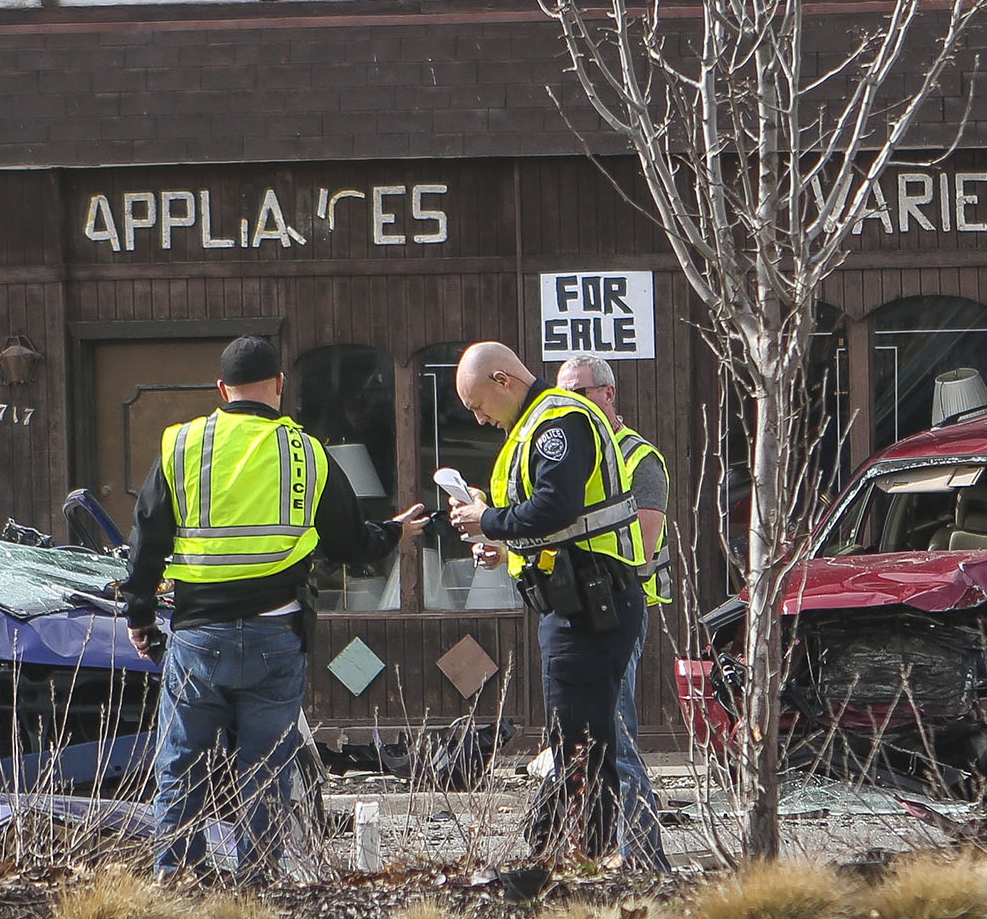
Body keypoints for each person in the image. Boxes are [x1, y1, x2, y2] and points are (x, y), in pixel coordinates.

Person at [122, 335, 427, 881]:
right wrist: (392, 533)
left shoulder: (184, 444)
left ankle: (173, 884)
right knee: (264, 773)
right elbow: (349, 543)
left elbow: (148, 538)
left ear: (221, 390)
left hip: (197, 637)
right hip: (274, 636)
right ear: (280, 386)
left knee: (180, 768)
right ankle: (255, 892)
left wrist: (139, 615)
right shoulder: (307, 452)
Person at [446, 342, 647, 861]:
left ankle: (586, 861)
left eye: (478, 404)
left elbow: (555, 509)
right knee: (578, 740)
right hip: (576, 602)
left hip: (591, 604)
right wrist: (498, 537)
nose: (479, 417)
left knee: (582, 742)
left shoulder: (557, 421)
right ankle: (574, 856)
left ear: (502, 379)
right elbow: (547, 524)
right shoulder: (534, 426)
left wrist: (488, 521)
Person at [557, 353, 671, 871]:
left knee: (617, 739)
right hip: (576, 611)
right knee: (587, 741)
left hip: (619, 609)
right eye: (563, 393)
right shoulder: (562, 456)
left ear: (609, 394)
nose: (570, 403)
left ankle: (645, 861)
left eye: (581, 392)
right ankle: (600, 854)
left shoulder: (635, 456)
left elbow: (642, 547)